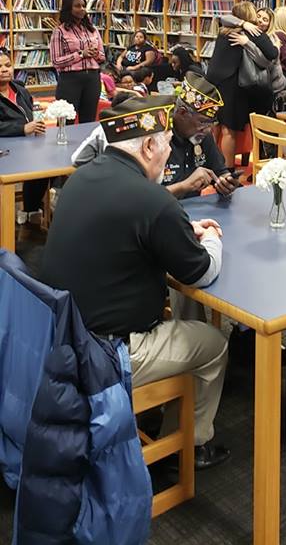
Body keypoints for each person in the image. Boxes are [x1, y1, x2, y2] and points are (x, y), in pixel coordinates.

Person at [40, 96, 230, 470]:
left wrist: (179, 229)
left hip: (63, 337)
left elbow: (122, 228)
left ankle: (159, 412)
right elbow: (202, 272)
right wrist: (211, 238)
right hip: (108, 353)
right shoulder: (152, 199)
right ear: (148, 147)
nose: (168, 155)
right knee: (214, 344)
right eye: (166, 144)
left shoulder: (82, 179)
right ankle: (186, 448)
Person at [72, 72, 239, 201]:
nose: (208, 129)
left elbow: (220, 171)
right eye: (203, 122)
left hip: (193, 214)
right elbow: (137, 200)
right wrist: (184, 186)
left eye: (211, 123)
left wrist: (225, 182)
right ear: (182, 113)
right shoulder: (155, 135)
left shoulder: (201, 135)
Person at [207, 2, 278, 169]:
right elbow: (272, 53)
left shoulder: (223, 31)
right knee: (229, 130)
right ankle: (228, 169)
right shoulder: (252, 32)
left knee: (214, 126)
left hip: (213, 83)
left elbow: (222, 17)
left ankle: (211, 165)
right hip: (233, 86)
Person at [0, 51, 48, 228]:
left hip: (27, 144)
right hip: (5, 150)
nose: (4, 70)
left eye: (7, 65)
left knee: (46, 168)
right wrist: (22, 128)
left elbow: (30, 113)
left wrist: (36, 124)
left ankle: (30, 211)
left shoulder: (20, 89)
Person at [50, 0, 105, 123]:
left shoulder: (93, 30)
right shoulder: (59, 31)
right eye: (77, 6)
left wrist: (95, 54)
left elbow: (102, 57)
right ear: (69, 8)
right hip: (70, 80)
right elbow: (56, 61)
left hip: (92, 79)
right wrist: (80, 54)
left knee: (89, 120)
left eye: (84, 6)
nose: (82, 9)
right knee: (66, 120)